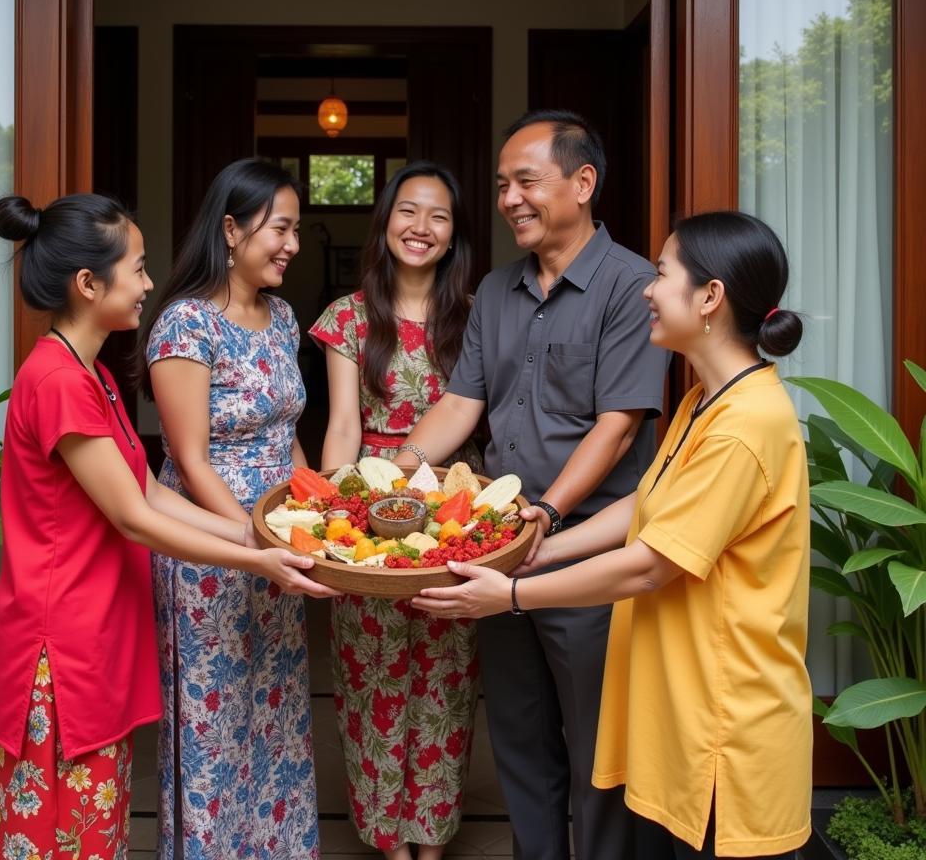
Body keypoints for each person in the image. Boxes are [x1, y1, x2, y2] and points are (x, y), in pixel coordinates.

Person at [413, 211, 812, 860]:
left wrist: (511, 594)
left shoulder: (748, 423)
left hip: (728, 728)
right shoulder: (707, 399)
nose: (648, 289)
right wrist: (532, 543)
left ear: (709, 298)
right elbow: (644, 505)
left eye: (662, 274)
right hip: (685, 717)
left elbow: (650, 565)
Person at [0, 193, 328, 860]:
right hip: (60, 649)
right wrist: (256, 561)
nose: (148, 285)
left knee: (95, 834)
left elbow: (144, 489)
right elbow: (134, 517)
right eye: (137, 270)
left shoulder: (92, 375)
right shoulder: (57, 380)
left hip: (97, 637)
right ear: (88, 284)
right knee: (57, 838)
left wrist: (256, 537)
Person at [393, 110, 667, 860]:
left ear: (582, 183)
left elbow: (617, 425)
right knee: (517, 734)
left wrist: (547, 511)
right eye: (503, 184)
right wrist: (390, 473)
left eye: (526, 181)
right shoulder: (497, 286)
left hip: (588, 549)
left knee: (597, 748)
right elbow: (461, 403)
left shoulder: (632, 284)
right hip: (496, 545)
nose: (509, 198)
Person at [141, 159, 333, 860]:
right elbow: (189, 460)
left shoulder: (282, 317)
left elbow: (290, 439)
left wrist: (322, 517)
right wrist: (255, 541)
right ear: (231, 228)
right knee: (213, 725)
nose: (291, 244)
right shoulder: (185, 325)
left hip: (276, 543)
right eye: (279, 227)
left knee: (276, 712)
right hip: (209, 552)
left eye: (293, 230)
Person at [309, 161, 482, 860]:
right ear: (384, 225)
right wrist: (331, 514)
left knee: (447, 670)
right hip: (369, 503)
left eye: (438, 216)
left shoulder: (476, 316)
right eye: (408, 212)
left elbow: (473, 415)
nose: (421, 228)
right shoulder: (348, 317)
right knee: (370, 670)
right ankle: (386, 835)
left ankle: (431, 835)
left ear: (453, 236)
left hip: (449, 507)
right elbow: (345, 424)